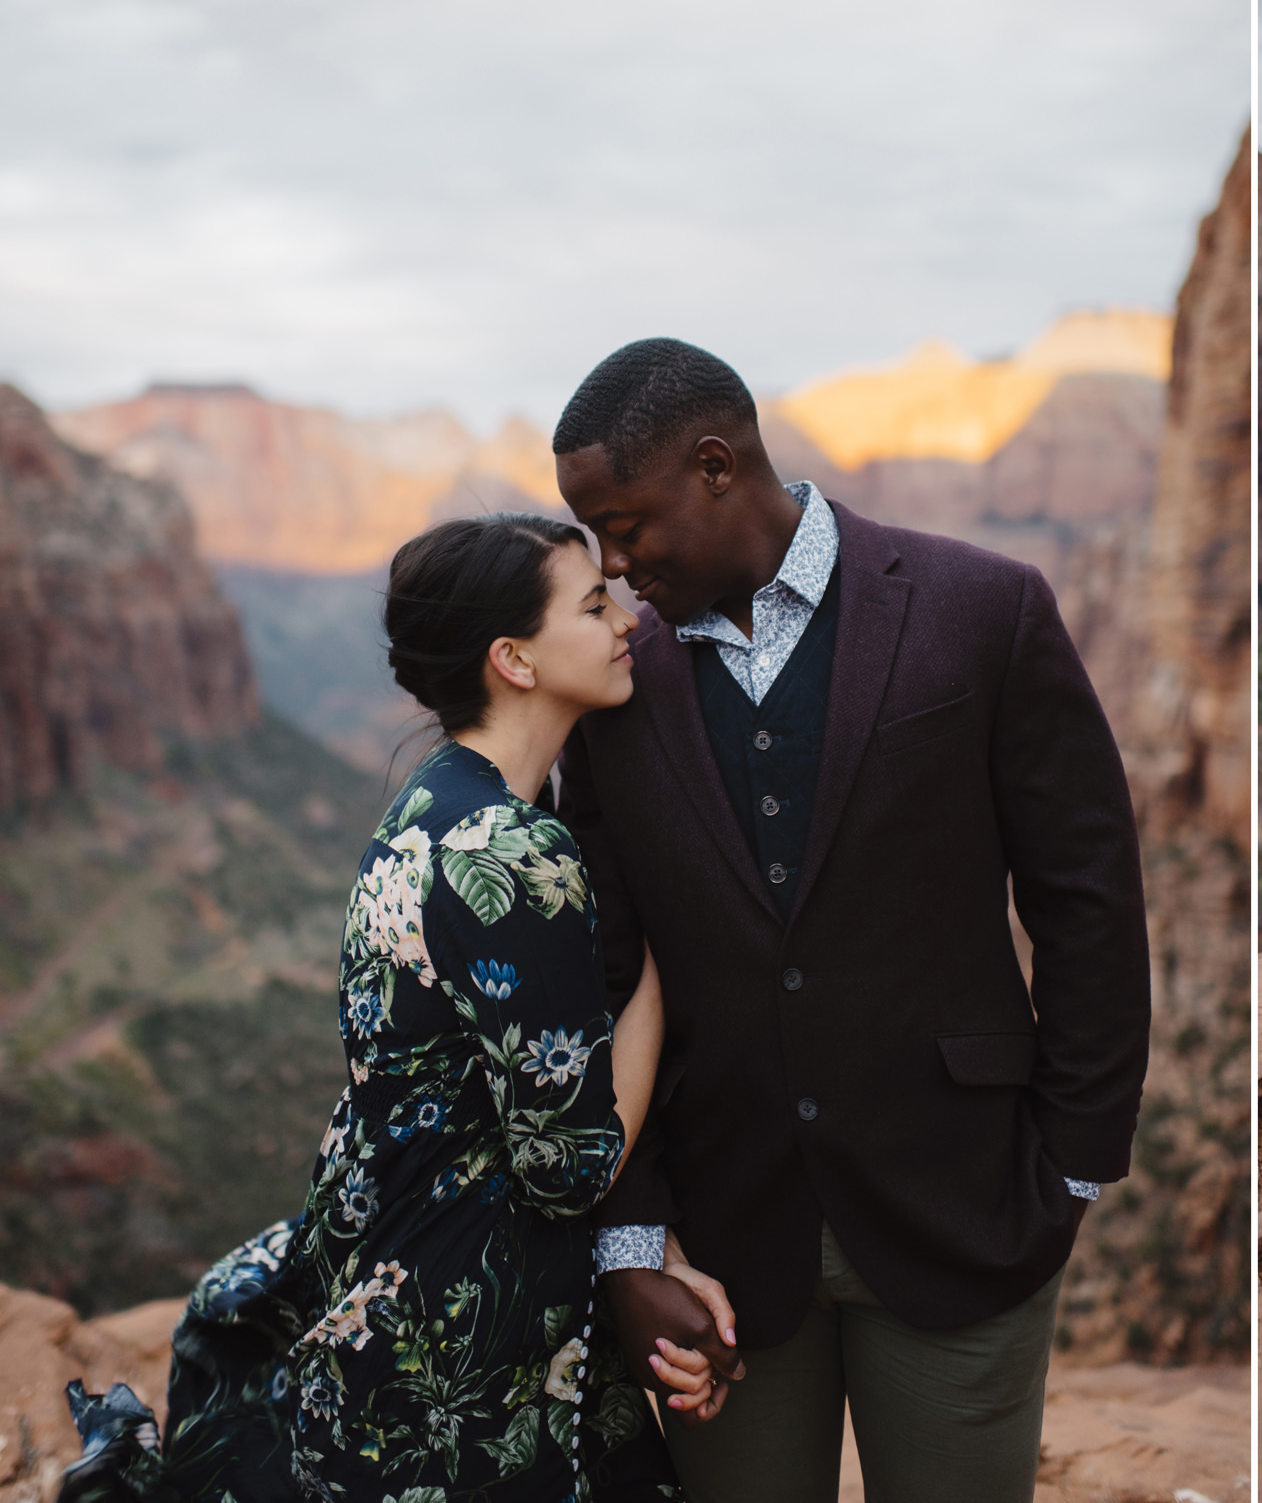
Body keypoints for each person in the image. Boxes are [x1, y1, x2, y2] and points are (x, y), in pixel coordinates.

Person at [547, 339, 1151, 1503]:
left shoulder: (984, 608)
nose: (615, 567)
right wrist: (631, 1243)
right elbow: (600, 972)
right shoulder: (620, 687)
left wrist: (1072, 1169)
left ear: (716, 466)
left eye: (626, 525)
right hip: (721, 1250)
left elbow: (1089, 898)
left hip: (968, 1210)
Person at [63, 513, 721, 1503]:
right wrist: (670, 974)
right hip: (459, 1308)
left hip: (372, 1257)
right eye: (593, 605)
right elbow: (568, 1164)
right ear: (515, 659)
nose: (625, 619)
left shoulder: (425, 804)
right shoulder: (511, 849)